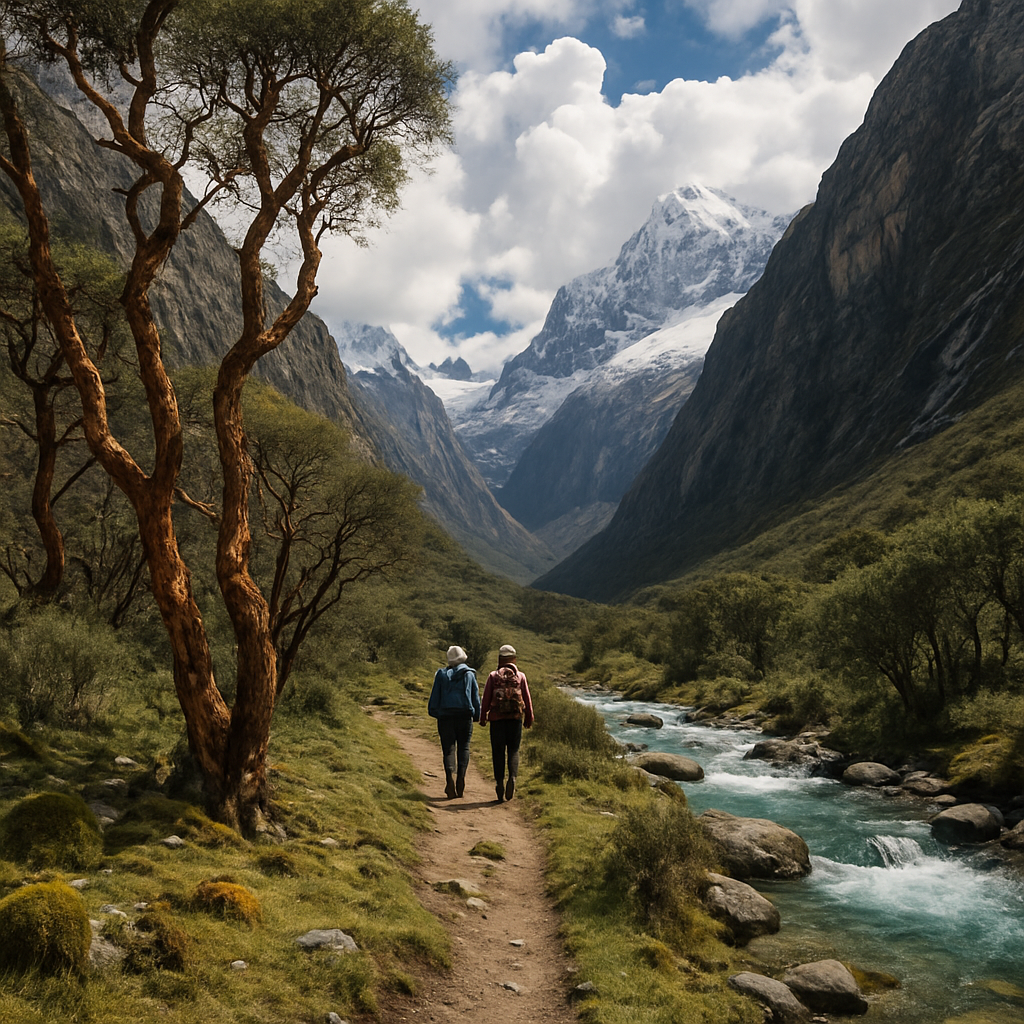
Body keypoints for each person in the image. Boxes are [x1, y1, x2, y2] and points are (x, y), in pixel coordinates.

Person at [479, 644, 534, 803]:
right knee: (513, 750)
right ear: (514, 659)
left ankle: (499, 783)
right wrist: (529, 717)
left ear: (500, 659)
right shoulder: (521, 676)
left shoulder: (492, 676)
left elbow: (486, 699)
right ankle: (513, 777)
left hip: (497, 720)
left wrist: (483, 718)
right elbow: (527, 698)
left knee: (498, 752)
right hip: (515, 719)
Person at [427, 645, 481, 799]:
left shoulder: (441, 674)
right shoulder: (469, 674)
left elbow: (435, 696)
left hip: (445, 716)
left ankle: (450, 775)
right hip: (464, 716)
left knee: (448, 749)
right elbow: (475, 697)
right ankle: (461, 777)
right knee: (464, 747)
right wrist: (477, 715)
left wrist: (435, 712)